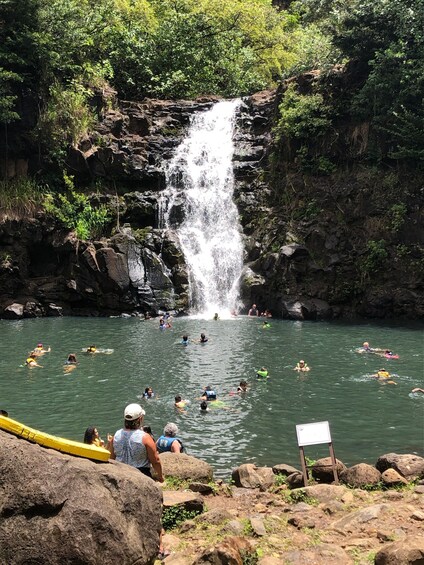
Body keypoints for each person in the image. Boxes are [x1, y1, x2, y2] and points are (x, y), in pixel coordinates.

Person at [109, 403, 164, 482]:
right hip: (141, 475)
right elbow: (155, 460)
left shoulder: (116, 436)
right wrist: (160, 476)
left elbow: (111, 458)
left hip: (120, 473)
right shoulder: (145, 438)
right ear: (140, 419)